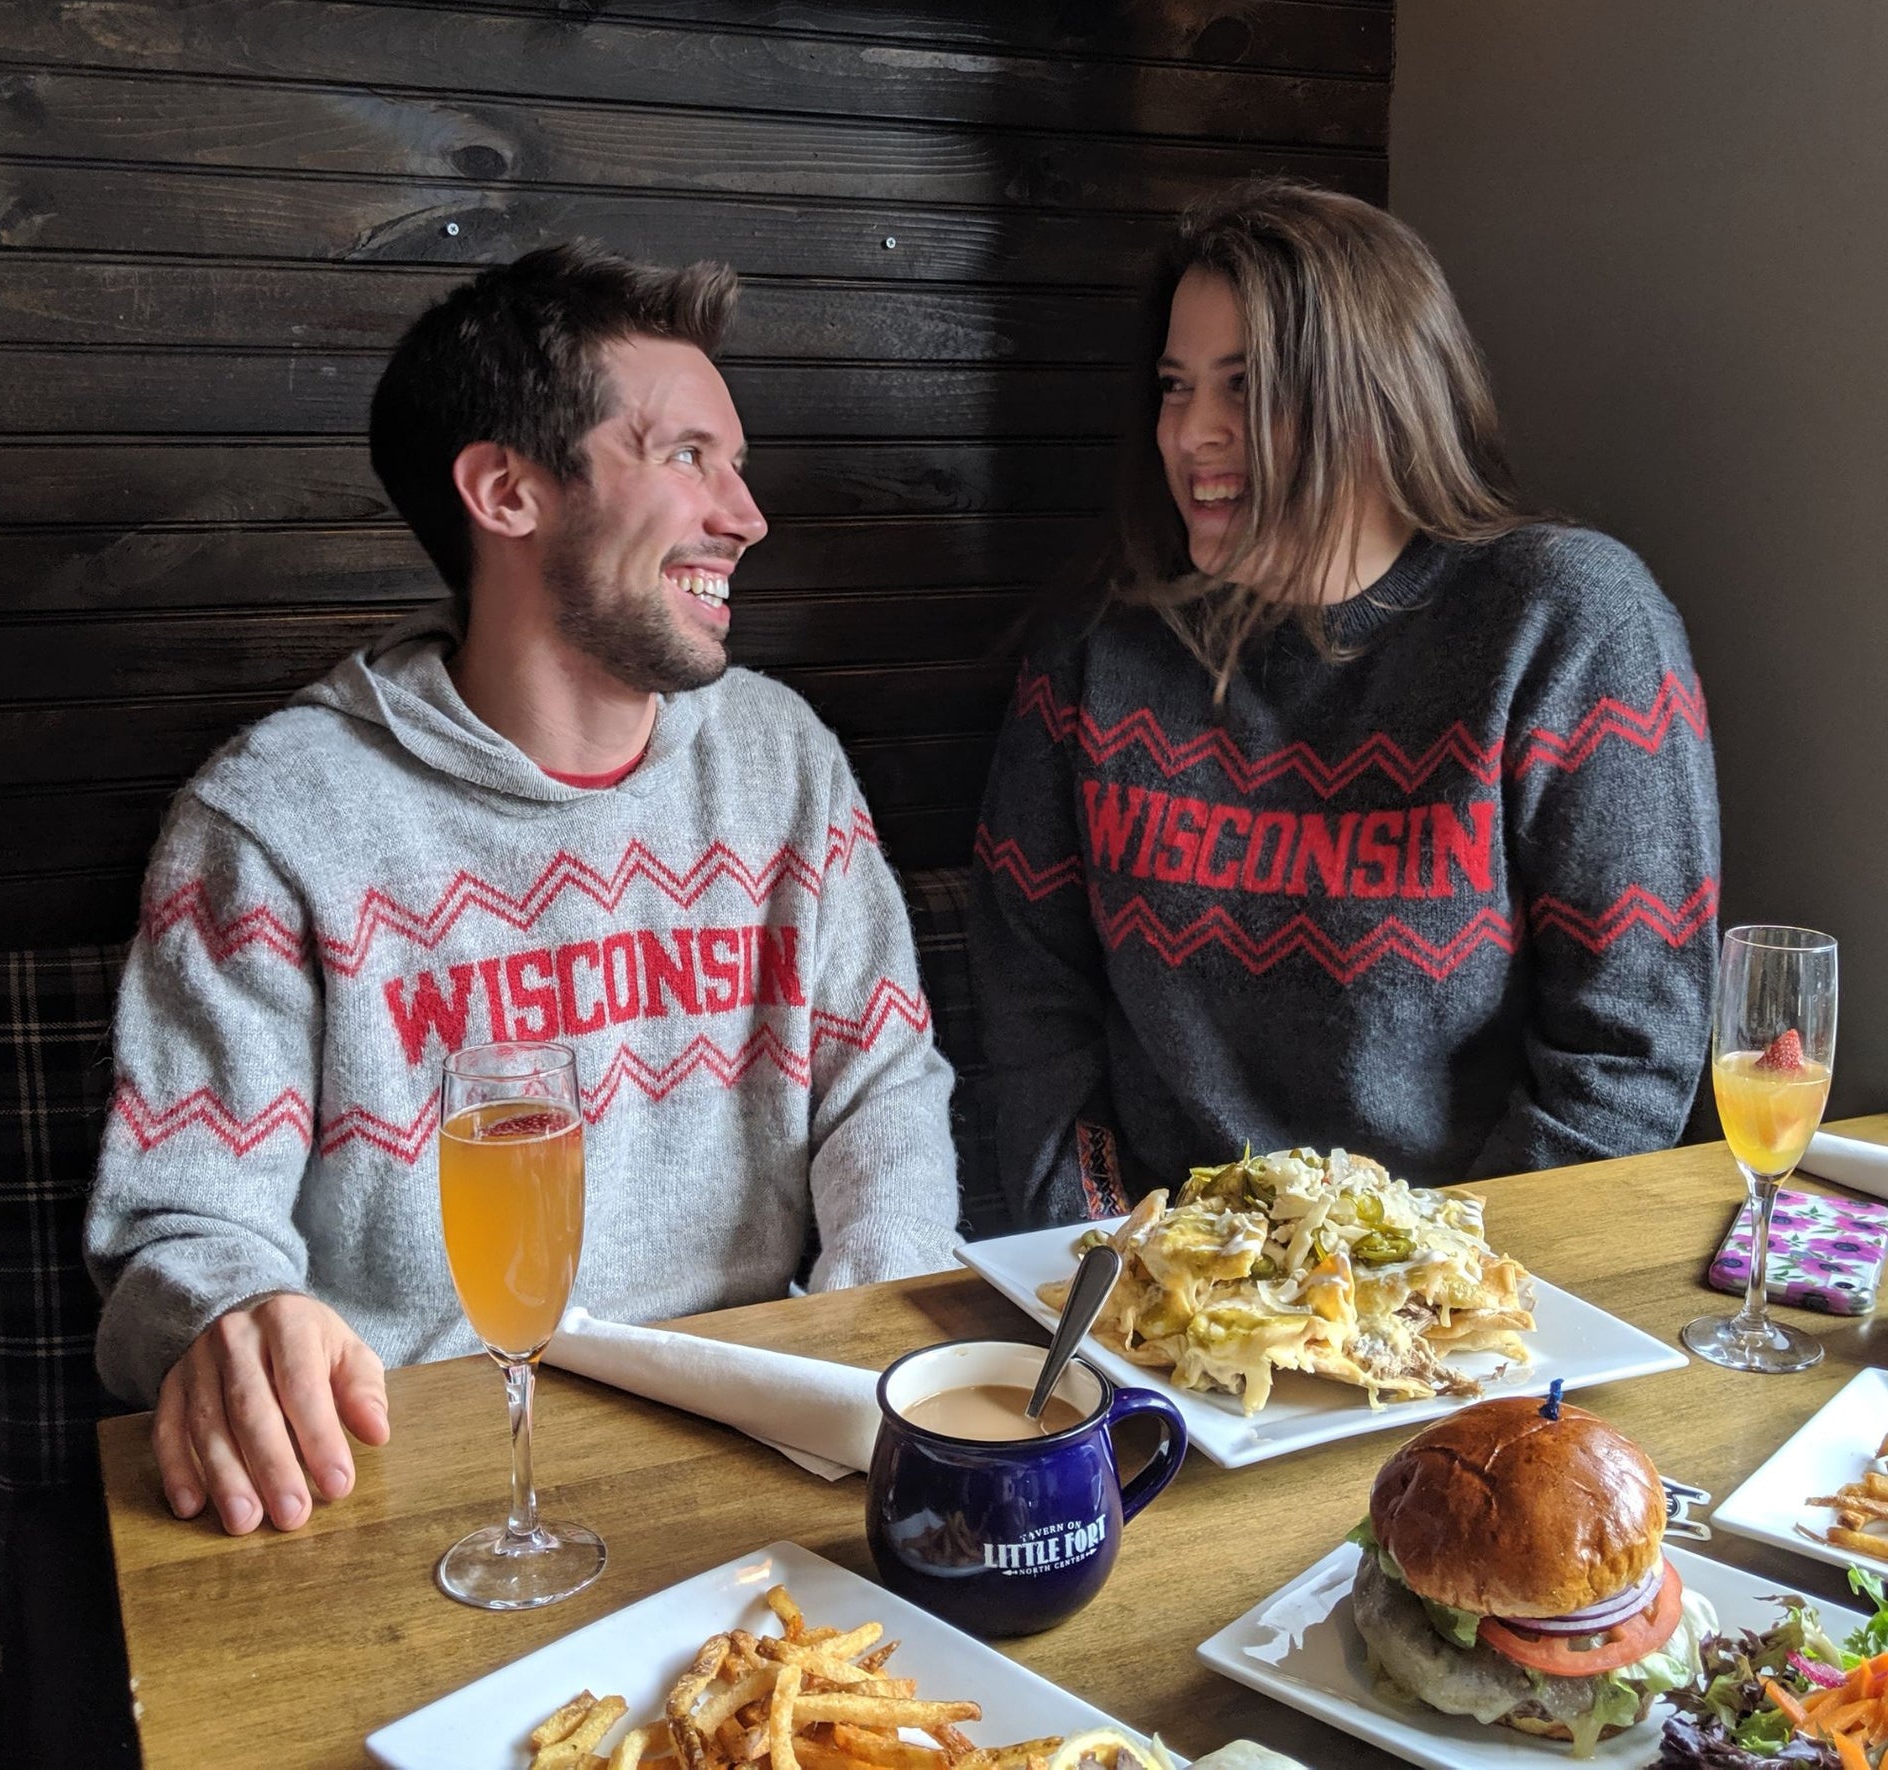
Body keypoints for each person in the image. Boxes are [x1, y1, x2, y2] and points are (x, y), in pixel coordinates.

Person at [84, 244, 961, 1535]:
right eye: (686, 458)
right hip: (422, 1492)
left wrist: (875, 1370)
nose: (745, 513)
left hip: (765, 1465)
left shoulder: (785, 763)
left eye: (736, 462)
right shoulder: (274, 822)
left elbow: (882, 1090)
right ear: (505, 491)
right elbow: (180, 1226)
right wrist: (231, 1321)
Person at [969, 181, 1719, 1227]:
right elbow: (1029, 996)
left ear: (1373, 399)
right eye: (1174, 386)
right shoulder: (1098, 648)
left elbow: (1626, 1047)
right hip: (1157, 1286)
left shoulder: (1565, 619)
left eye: (1245, 387)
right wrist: (1096, 1255)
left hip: (1465, 1300)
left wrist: (1430, 1299)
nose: (1191, 434)